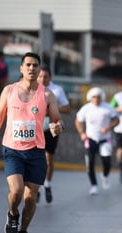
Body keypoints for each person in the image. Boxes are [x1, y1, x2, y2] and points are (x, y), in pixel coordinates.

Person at [0, 52, 64, 233]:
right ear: (21, 68)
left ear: (39, 69)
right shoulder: (9, 91)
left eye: (35, 65)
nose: (32, 68)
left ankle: (23, 232)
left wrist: (58, 126)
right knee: (16, 191)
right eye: (28, 65)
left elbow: (57, 120)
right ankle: (12, 213)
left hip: (37, 151)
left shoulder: (47, 94)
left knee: (30, 198)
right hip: (13, 149)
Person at [75, 87, 119, 195]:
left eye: (98, 97)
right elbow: (78, 121)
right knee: (90, 163)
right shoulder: (86, 108)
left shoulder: (108, 107)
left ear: (102, 97)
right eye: (94, 97)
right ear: (90, 98)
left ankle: (105, 176)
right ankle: (94, 185)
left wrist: (108, 128)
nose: (96, 99)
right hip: (90, 139)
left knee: (107, 161)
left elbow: (116, 120)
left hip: (105, 139)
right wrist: (82, 133)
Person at [37, 66, 71, 203]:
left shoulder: (57, 90)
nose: (42, 79)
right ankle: (37, 187)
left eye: (45, 76)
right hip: (35, 128)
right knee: (37, 159)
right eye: (40, 76)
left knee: (48, 159)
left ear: (50, 78)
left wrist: (51, 109)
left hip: (51, 128)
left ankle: (47, 185)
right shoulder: (32, 88)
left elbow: (67, 108)